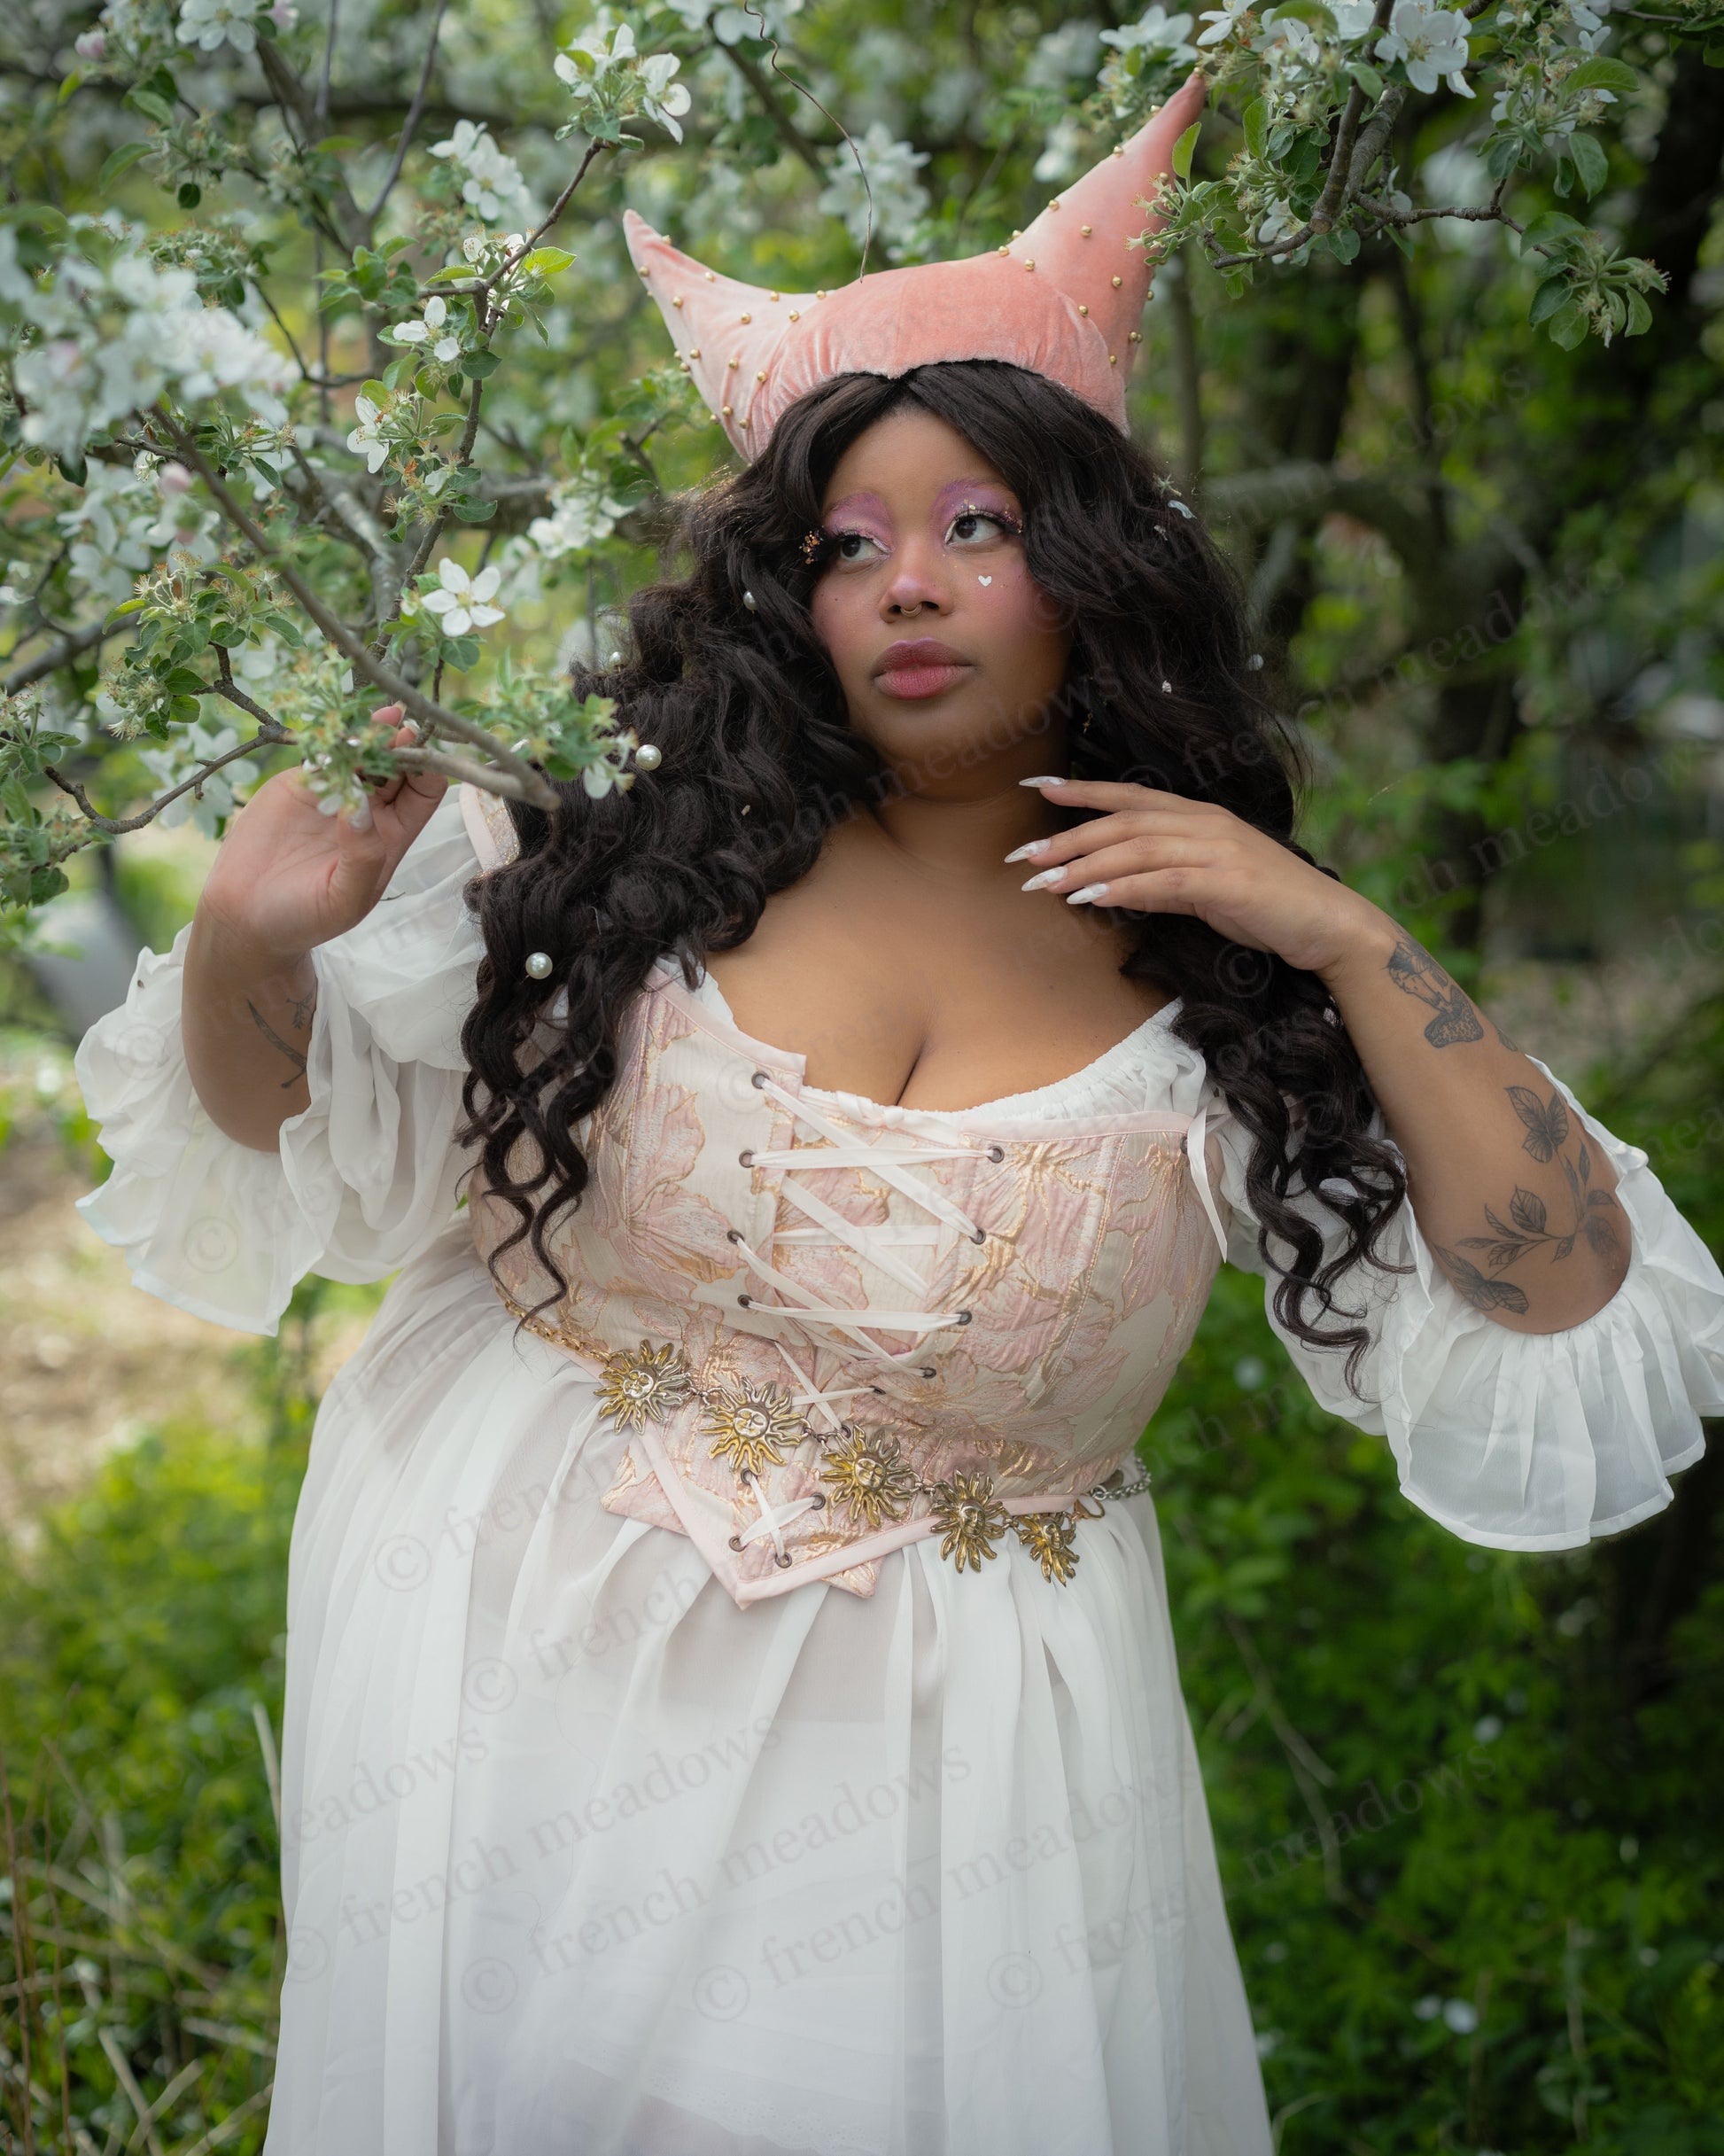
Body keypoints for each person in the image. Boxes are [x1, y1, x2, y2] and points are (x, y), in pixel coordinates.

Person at [75, 71, 1723, 2156]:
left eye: (978, 528)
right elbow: (290, 1147)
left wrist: (1336, 929)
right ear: (788, 585)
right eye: (850, 544)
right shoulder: (619, 853)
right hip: (498, 1635)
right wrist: (244, 937)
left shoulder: (1222, 981)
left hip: (952, 1767)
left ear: (1095, 558)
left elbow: (1566, 1300)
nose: (910, 586)